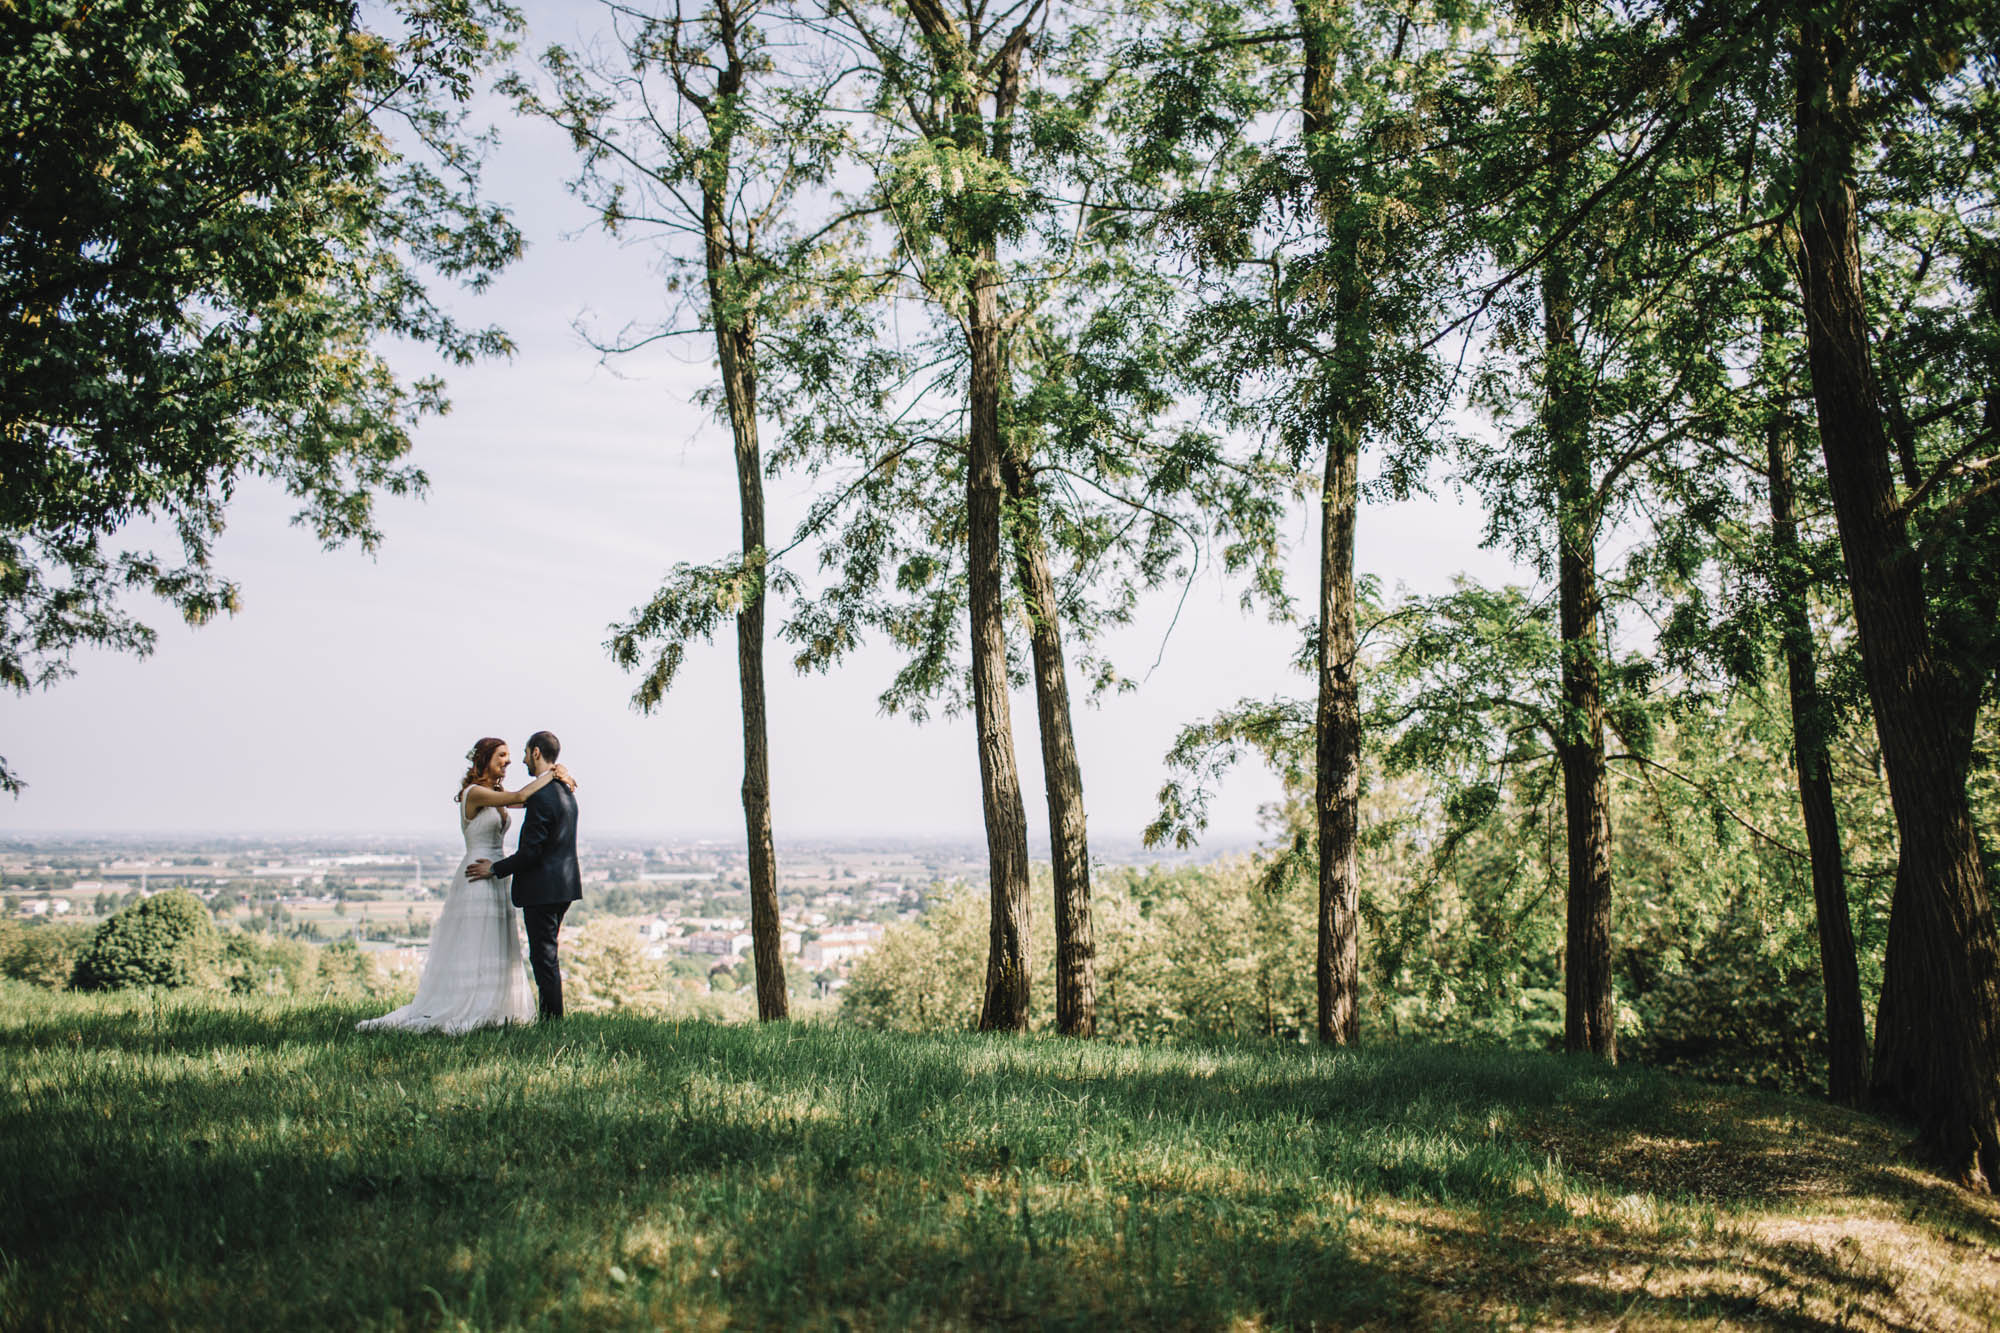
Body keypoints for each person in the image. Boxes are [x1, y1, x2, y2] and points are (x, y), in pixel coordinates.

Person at [357, 737, 575, 1033]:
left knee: (495, 943)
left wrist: (558, 774)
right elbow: (525, 796)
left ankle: (494, 1004)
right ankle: (467, 1003)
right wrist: (554, 772)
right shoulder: (474, 793)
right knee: (475, 941)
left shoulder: (497, 794)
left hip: (495, 874)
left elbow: (530, 799)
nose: (509, 761)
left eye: (512, 756)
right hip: (478, 872)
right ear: (484, 759)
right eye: (502, 756)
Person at [468, 730, 581, 1020]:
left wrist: (494, 869)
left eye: (523, 753)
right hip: (564, 887)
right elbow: (517, 799)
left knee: (543, 958)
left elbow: (531, 853)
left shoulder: (544, 795)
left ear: (536, 753)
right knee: (548, 956)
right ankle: (551, 1017)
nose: (519, 760)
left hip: (542, 889)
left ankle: (552, 1020)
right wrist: (559, 774)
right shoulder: (565, 792)